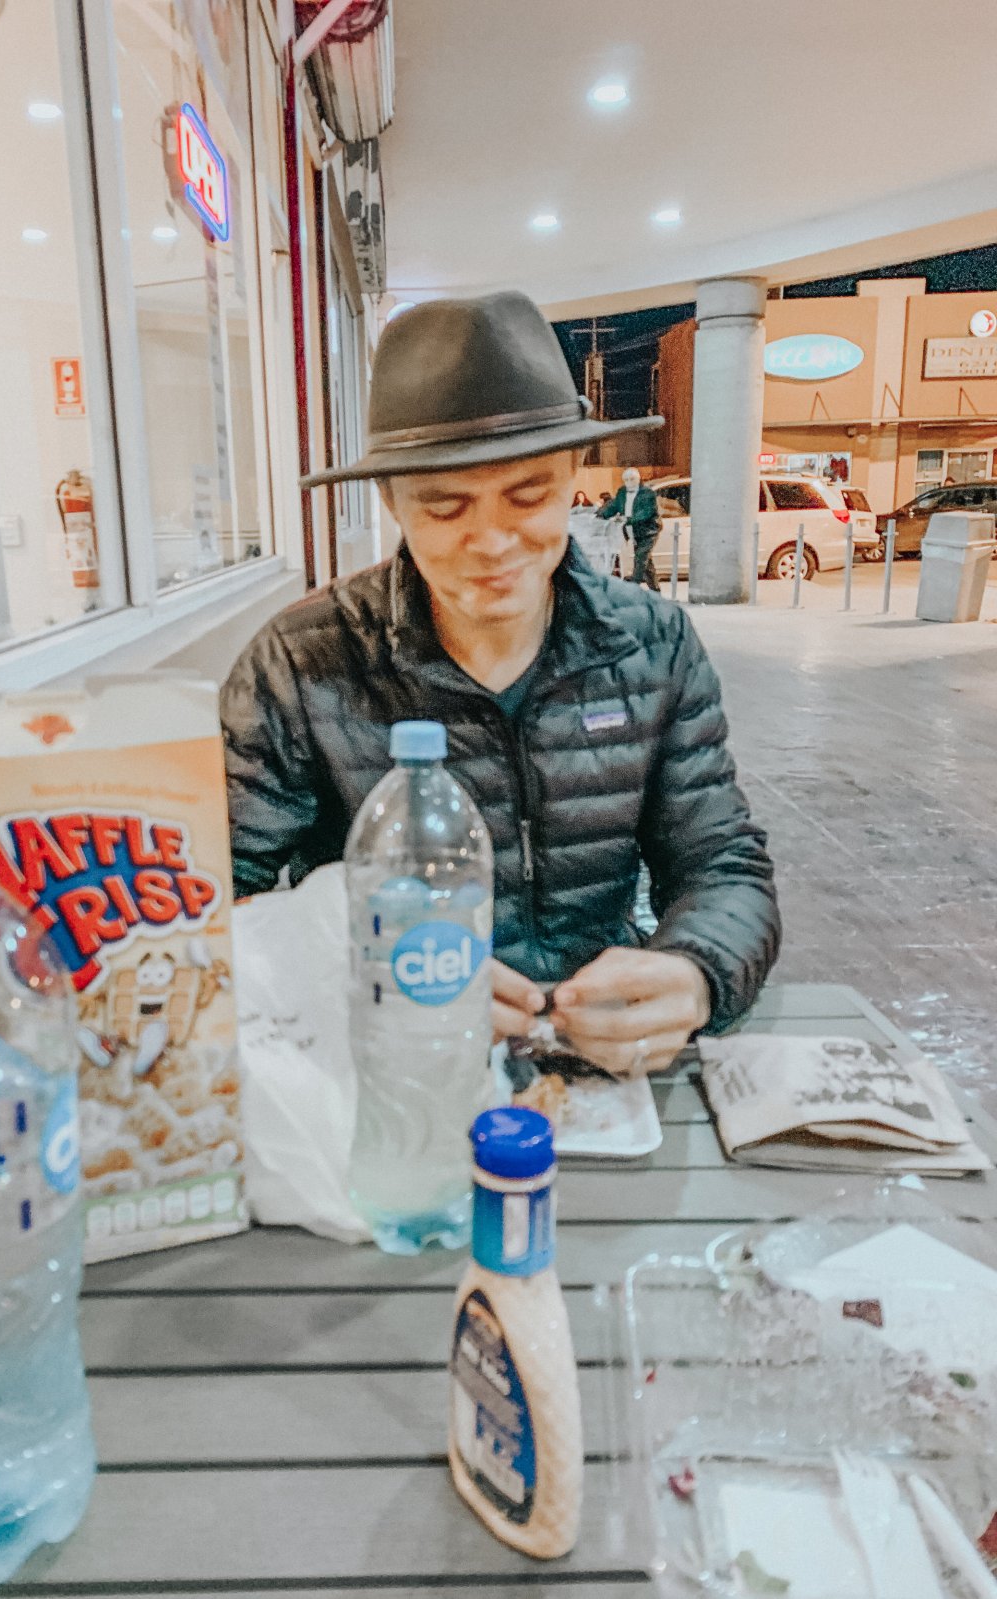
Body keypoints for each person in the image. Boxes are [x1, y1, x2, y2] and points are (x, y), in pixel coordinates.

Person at [221, 291, 780, 1077]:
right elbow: (211, 904)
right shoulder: (302, 661)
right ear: (391, 501)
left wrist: (695, 971)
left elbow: (722, 864)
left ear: (575, 474)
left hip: (600, 1059)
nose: (491, 542)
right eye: (446, 507)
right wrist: (366, 978)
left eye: (529, 496)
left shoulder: (653, 646)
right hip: (384, 1069)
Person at [599, 467, 662, 590]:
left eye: (632, 479)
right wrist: (601, 514)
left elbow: (646, 512)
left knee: (640, 557)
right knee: (646, 562)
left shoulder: (647, 493)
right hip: (633, 531)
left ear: (638, 479)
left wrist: (628, 519)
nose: (629, 482)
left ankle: (633, 587)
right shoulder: (622, 492)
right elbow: (614, 505)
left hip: (648, 531)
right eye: (626, 479)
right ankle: (655, 591)